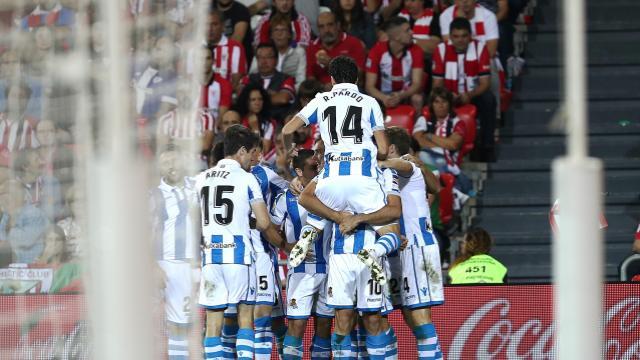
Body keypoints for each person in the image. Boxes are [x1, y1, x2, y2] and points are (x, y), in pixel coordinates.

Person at [340, 127, 445, 360]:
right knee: (382, 315)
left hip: (416, 248)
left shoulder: (407, 166)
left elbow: (406, 166)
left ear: (392, 149)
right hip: (393, 249)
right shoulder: (379, 177)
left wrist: (381, 164)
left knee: (419, 318)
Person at [195, 125, 287, 359]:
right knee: (246, 318)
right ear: (242, 151)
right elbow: (265, 223)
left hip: (210, 257)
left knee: (214, 323)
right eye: (251, 154)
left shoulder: (201, 179)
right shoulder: (246, 178)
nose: (252, 160)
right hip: (238, 255)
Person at [271, 150, 334, 360]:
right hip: (300, 271)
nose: (318, 170)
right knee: (297, 327)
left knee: (324, 327)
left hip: (328, 269)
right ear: (298, 171)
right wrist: (286, 246)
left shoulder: (329, 191)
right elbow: (268, 227)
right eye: (313, 168)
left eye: (319, 166)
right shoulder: (285, 198)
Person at [150, 149, 200, 359]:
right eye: (165, 162)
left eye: (174, 160)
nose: (171, 165)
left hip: (186, 265)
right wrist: (153, 266)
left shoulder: (197, 186)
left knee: (180, 325)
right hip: (164, 264)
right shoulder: (153, 195)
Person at [432, 17, 496, 161]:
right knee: (433, 99)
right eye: (455, 36)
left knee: (488, 99)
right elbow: (437, 84)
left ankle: (487, 147)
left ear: (470, 36)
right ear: (450, 36)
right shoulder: (441, 50)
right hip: (448, 95)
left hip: (473, 95)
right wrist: (449, 96)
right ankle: (433, 144)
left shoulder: (480, 48)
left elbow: (485, 83)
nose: (460, 40)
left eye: (464, 36)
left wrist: (469, 95)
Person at [365, 16, 425, 111]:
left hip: (406, 94)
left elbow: (416, 84)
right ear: (397, 36)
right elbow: (369, 86)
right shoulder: (377, 51)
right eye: (407, 30)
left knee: (417, 98)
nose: (412, 32)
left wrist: (401, 95)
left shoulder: (416, 50)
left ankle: (417, 125)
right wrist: (384, 98)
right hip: (382, 95)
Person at [306, 12, 367, 89]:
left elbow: (359, 73)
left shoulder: (353, 43)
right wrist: (323, 87)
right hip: (321, 92)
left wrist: (331, 63)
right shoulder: (312, 47)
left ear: (338, 25)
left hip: (348, 91)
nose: (326, 30)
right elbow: (310, 77)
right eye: (322, 26)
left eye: (330, 25)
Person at [412, 87, 466, 175]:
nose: (440, 105)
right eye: (436, 102)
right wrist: (443, 145)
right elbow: (417, 140)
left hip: (448, 159)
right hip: (427, 155)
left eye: (444, 102)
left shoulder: (458, 122)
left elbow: (453, 144)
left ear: (449, 104)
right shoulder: (424, 119)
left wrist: (430, 136)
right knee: (421, 156)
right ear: (432, 105)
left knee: (428, 158)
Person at [241, 43, 296, 122]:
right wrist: (271, 95)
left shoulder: (286, 78)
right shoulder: (248, 78)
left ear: (276, 60)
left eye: (268, 57)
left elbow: (283, 98)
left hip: (278, 122)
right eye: (260, 57)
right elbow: (242, 98)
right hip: (251, 122)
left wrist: (254, 99)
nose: (264, 61)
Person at [249, 13, 306, 90]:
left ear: (289, 34)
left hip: (290, 93)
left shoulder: (299, 52)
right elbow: (252, 75)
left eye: (283, 30)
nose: (279, 34)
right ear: (271, 35)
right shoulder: (262, 50)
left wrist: (286, 90)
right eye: (276, 30)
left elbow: (301, 81)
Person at [0, 180, 49, 264]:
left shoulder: (33, 213)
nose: (3, 198)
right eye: (1, 195)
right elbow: (2, 240)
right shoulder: (6, 215)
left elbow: (25, 241)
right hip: (12, 267)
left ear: (20, 195)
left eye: (6, 194)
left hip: (32, 267)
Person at [207, 9, 247, 92]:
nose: (209, 29)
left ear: (223, 27)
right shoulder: (193, 48)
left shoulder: (236, 48)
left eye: (214, 24)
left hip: (226, 99)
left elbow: (237, 82)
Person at [234, 83, 277, 155]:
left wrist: (255, 128)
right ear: (246, 101)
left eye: (260, 99)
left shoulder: (269, 123)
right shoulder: (239, 120)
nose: (257, 103)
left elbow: (264, 151)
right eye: (253, 100)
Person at [199, 46, 233, 131]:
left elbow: (222, 117)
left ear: (213, 61)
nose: (204, 62)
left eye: (208, 58)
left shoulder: (224, 84)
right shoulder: (188, 84)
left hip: (215, 131)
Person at [0, 81, 39, 154]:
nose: (17, 100)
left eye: (22, 97)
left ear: (27, 101)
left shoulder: (33, 125)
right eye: (13, 96)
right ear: (7, 98)